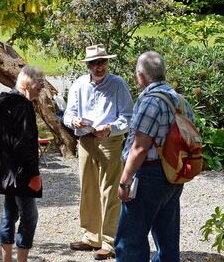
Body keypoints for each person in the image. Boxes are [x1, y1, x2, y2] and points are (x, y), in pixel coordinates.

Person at [115, 51, 195, 262]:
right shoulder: (180, 101)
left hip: (149, 174)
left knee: (130, 240)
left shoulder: (151, 102)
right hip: (173, 172)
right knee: (167, 238)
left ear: (141, 75)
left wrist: (124, 182)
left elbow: (140, 148)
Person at [64, 44, 133, 260]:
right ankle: (91, 237)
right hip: (85, 141)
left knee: (110, 191)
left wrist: (111, 128)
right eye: (94, 63)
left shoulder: (118, 84)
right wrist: (73, 120)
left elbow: (128, 117)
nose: (98, 67)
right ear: (87, 65)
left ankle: (110, 242)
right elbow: (68, 114)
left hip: (110, 142)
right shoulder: (79, 84)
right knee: (88, 189)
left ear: (108, 63)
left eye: (102, 62)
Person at [0, 65, 45, 262]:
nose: (42, 86)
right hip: (20, 173)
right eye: (39, 82)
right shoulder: (23, 106)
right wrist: (34, 174)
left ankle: (7, 259)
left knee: (10, 213)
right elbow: (23, 145)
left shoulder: (5, 101)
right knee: (29, 217)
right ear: (26, 83)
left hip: (7, 171)